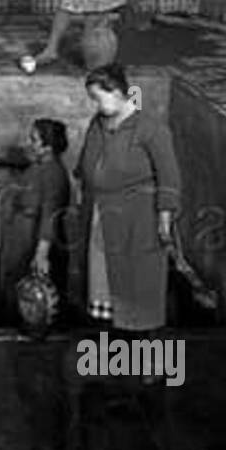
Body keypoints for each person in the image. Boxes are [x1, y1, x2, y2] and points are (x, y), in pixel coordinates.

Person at [74, 64, 180, 335]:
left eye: (99, 97)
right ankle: (114, 355)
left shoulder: (151, 129)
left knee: (139, 285)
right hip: (101, 213)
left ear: (118, 91)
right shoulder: (97, 124)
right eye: (93, 99)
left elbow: (169, 176)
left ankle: (149, 362)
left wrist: (164, 218)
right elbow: (86, 161)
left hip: (138, 217)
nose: (96, 105)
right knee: (103, 281)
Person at [2, 119, 72, 315]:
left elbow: (50, 214)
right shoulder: (38, 168)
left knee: (34, 300)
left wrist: (41, 253)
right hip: (23, 238)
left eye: (34, 140)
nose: (30, 144)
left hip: (33, 240)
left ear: (48, 146)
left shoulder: (53, 173)